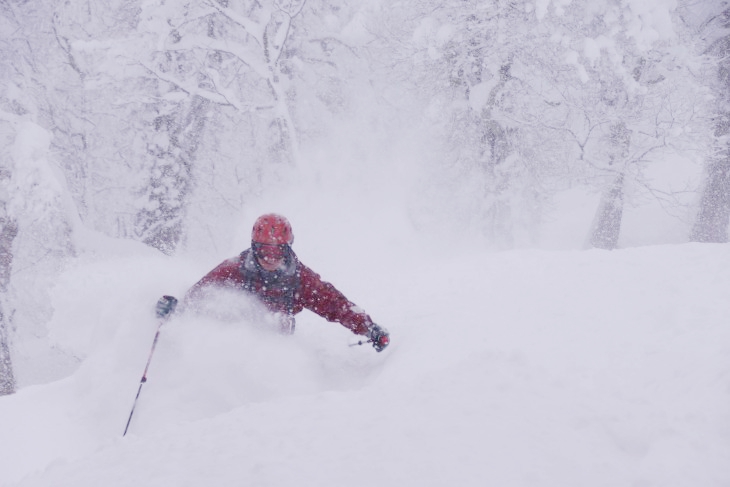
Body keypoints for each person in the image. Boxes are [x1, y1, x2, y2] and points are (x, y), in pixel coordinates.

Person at [155, 214, 390, 352]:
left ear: (287, 250)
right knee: (226, 309)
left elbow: (334, 304)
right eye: (264, 250)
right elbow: (202, 294)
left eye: (277, 251)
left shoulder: (299, 278)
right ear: (254, 248)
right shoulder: (234, 269)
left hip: (275, 340)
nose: (270, 258)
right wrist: (176, 307)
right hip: (236, 337)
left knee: (277, 322)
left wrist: (368, 327)